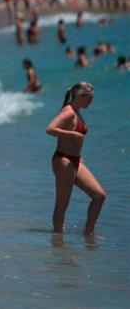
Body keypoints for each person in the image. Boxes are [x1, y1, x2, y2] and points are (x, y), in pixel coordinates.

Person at [47, 82, 105, 236]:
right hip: (63, 160)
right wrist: (72, 134)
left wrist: (78, 155)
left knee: (99, 196)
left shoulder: (76, 111)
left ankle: (88, 234)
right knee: (62, 204)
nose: (91, 102)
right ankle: (57, 240)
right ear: (81, 96)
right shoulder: (69, 112)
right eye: (90, 98)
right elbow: (50, 129)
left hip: (75, 160)